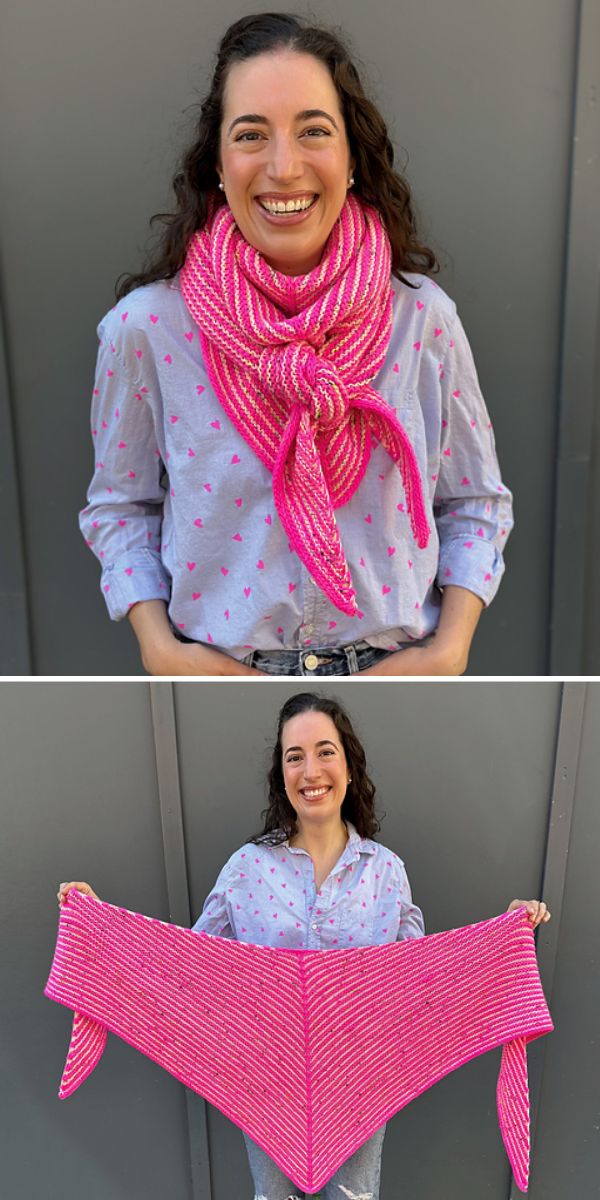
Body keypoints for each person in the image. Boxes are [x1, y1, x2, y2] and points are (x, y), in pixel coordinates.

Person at [79, 11, 513, 678]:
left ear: (350, 159)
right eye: (251, 134)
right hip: (224, 669)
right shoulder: (149, 329)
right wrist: (159, 648)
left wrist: (449, 650)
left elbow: (475, 500)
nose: (284, 167)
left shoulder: (421, 318)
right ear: (218, 164)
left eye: (314, 131)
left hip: (393, 669)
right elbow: (122, 505)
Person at [57, 692, 551, 1200]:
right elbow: (189, 970)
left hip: (362, 1081)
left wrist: (503, 937)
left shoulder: (385, 870)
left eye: (325, 751)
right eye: (295, 756)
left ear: (349, 766)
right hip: (265, 1083)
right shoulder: (247, 868)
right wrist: (102, 926)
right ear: (282, 774)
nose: (311, 770)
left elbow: (422, 982)